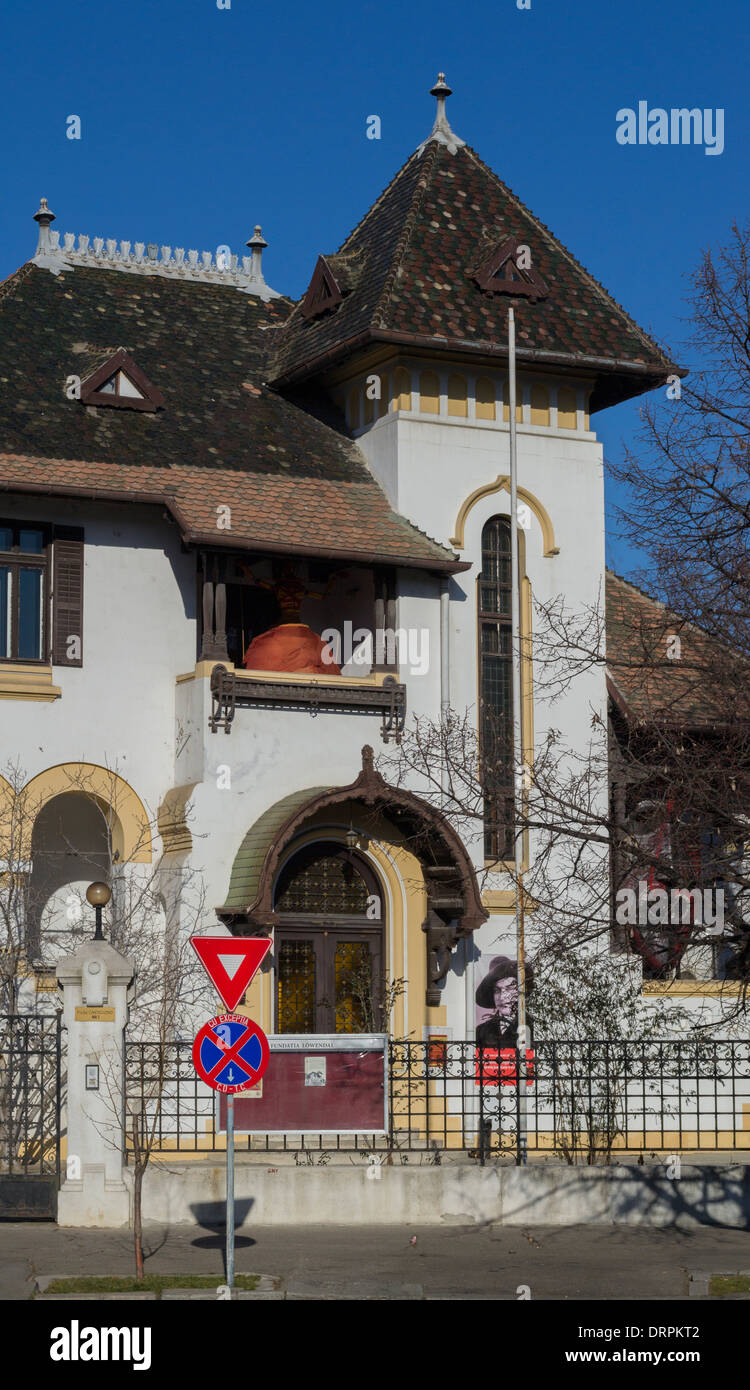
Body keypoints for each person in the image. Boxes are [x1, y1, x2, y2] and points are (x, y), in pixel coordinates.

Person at [475, 955, 534, 1049]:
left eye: (509, 988)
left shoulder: (531, 1025)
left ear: (520, 991)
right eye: (497, 990)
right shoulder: (481, 1030)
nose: (502, 997)